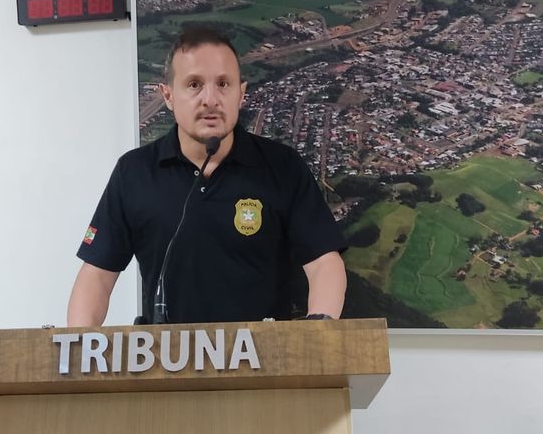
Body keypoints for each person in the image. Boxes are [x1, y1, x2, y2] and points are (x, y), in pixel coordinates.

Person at [68, 27, 347, 326]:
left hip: (263, 353)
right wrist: (80, 345)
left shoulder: (283, 166)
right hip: (165, 353)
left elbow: (324, 263)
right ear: (168, 95)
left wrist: (318, 331)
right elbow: (97, 277)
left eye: (223, 84)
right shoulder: (134, 172)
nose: (210, 99)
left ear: (241, 94)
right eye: (194, 85)